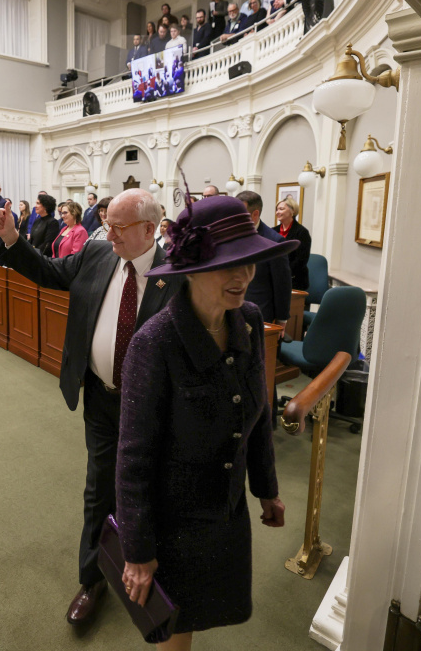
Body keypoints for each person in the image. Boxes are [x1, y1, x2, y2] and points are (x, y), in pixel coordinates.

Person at [0, 189, 185, 626]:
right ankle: (92, 579)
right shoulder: (96, 255)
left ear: (150, 230)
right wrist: (14, 241)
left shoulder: (179, 274)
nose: (107, 232)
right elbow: (48, 271)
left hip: (152, 411)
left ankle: (152, 570)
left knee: (151, 489)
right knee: (99, 490)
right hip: (101, 398)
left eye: (118, 226)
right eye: (105, 222)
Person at [116, 194, 303, 647]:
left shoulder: (250, 321)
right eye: (228, 266)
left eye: (250, 263)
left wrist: (267, 489)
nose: (244, 278)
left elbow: (256, 415)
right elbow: (134, 458)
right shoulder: (154, 344)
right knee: (175, 627)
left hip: (225, 509)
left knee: (199, 614)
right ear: (192, 269)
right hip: (172, 521)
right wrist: (138, 554)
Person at [236, 190, 292, 330]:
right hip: (230, 309)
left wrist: (281, 319)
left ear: (255, 214)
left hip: (259, 313)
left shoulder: (274, 241)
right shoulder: (231, 235)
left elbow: (282, 283)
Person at [273, 195, 311, 290]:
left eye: (281, 209)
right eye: (277, 209)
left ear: (292, 211)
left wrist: (283, 272)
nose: (278, 212)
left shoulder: (302, 232)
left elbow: (301, 260)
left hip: (294, 280)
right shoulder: (273, 231)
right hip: (274, 278)